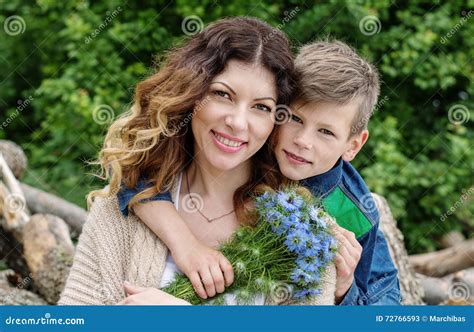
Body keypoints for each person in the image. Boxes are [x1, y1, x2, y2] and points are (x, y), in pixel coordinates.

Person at [59, 17, 337, 305]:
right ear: (191, 94)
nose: (238, 123)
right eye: (222, 95)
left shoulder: (304, 236)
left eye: (261, 107)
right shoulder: (121, 209)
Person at [116, 40, 401, 305]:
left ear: (353, 145)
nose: (303, 140)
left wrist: (344, 289)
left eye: (326, 131)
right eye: (293, 118)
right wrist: (185, 244)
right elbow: (138, 172)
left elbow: (386, 307)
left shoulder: (354, 212)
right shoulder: (242, 149)